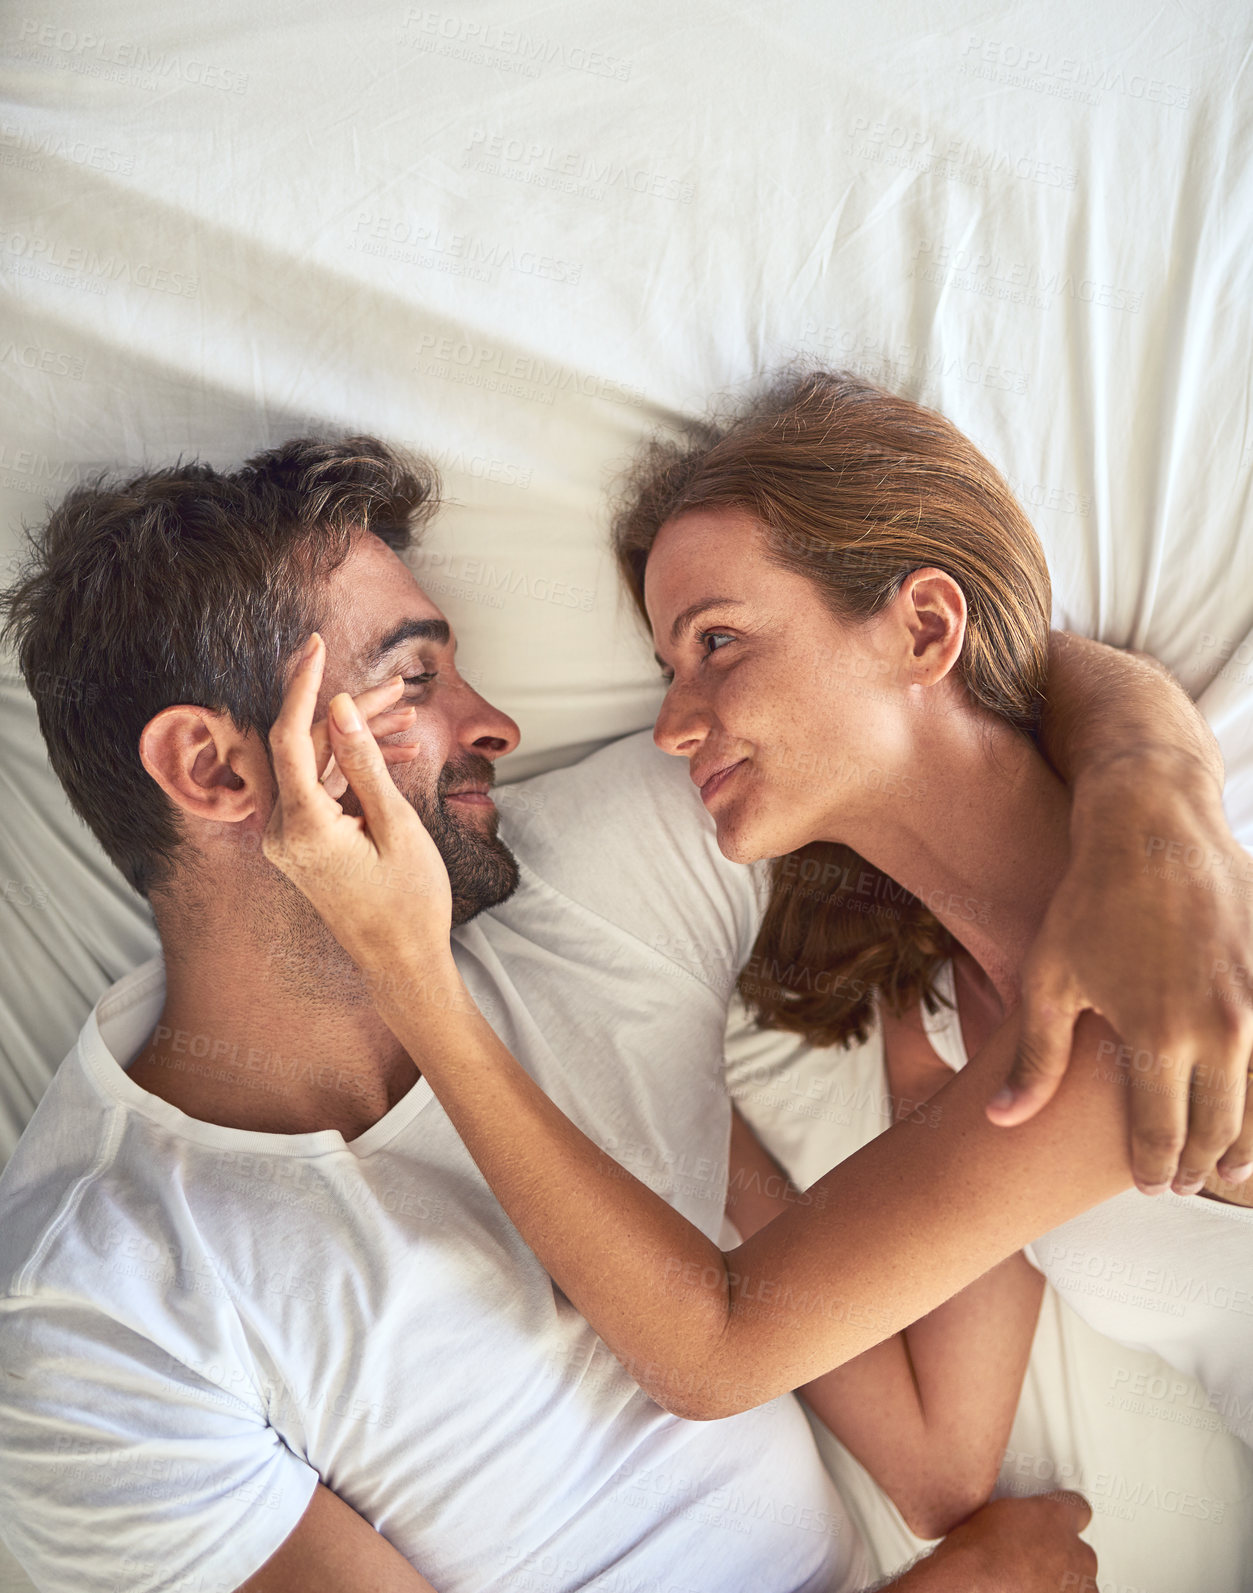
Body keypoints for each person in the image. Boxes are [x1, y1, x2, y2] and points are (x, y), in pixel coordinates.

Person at [0, 432, 1242, 1592]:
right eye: (414, 675)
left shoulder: (585, 889)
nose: (494, 722)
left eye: (710, 649)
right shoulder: (96, 1311)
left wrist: (1155, 784)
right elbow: (906, 1452)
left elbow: (941, 703)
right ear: (216, 770)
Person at [247, 376, 1253, 1473]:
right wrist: (1149, 776)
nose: (674, 725)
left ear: (922, 628)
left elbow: (713, 1352)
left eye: (717, 643)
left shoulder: (1136, 986)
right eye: (669, 668)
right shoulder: (954, 1007)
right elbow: (940, 1455)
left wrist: (409, 974)